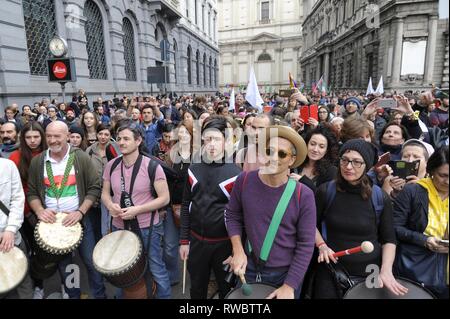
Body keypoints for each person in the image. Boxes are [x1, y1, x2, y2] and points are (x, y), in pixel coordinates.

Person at [226, 125, 316, 299]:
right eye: (269, 151)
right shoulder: (244, 180)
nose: (274, 158)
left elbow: (305, 244)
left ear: (292, 160)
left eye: (282, 154)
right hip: (248, 268)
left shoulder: (303, 195)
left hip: (285, 275)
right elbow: (232, 215)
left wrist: (289, 286)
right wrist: (237, 249)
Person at [313, 139, 408, 298]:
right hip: (331, 269)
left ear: (367, 166)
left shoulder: (379, 197)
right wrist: (321, 245)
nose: (349, 167)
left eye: (357, 162)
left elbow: (389, 239)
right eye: (345, 160)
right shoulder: (325, 191)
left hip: (370, 271)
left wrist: (385, 270)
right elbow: (309, 225)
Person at [27, 121, 106, 299]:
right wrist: (39, 210)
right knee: (67, 267)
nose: (53, 140)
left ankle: (100, 295)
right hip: (54, 226)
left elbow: (95, 187)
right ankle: (74, 295)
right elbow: (31, 192)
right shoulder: (38, 161)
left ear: (67, 136)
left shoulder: (80, 157)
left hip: (81, 221)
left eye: (57, 136)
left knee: (91, 262)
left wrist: (80, 212)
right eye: (49, 136)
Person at [101, 122, 171, 299]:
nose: (121, 142)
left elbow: (164, 198)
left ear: (138, 141)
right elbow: (104, 194)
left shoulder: (152, 166)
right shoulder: (111, 165)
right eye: (119, 138)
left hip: (148, 227)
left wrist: (137, 210)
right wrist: (110, 205)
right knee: (121, 269)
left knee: (156, 267)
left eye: (126, 138)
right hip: (119, 226)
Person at [179, 116, 242, 299]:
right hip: (196, 242)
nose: (212, 144)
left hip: (224, 245)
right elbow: (185, 205)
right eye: (207, 139)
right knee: (197, 290)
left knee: (227, 291)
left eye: (216, 139)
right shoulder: (193, 169)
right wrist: (184, 241)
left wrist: (236, 251)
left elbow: (240, 216)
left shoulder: (236, 174)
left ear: (225, 141)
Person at [393, 145, 449, 299]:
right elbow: (395, 227)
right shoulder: (413, 191)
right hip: (417, 268)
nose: (448, 181)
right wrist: (424, 240)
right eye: (443, 175)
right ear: (431, 171)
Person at [8, 122, 47, 298]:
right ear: (22, 138)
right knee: (30, 251)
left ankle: (44, 284)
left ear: (42, 137)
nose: (32, 140)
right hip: (25, 213)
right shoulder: (15, 158)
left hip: (50, 210)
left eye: (36, 137)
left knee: (45, 253)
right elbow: (15, 192)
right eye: (28, 137)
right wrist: (28, 213)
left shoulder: (49, 154)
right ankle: (36, 286)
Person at [0, 157, 34, 299]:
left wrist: (10, 229)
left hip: (11, 234)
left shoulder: (7, 165)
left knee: (22, 277)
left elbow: (18, 198)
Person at [86, 124, 120, 238]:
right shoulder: (90, 150)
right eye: (100, 134)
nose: (103, 137)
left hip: (111, 193)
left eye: (106, 134)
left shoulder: (116, 148)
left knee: (109, 225)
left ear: (111, 136)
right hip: (94, 192)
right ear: (96, 134)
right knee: (97, 223)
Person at [290, 125, 339, 189]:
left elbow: (323, 197)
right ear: (306, 144)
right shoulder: (296, 162)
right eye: (312, 144)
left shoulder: (331, 172)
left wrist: (303, 181)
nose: (315, 149)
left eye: (321, 147)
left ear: (327, 150)